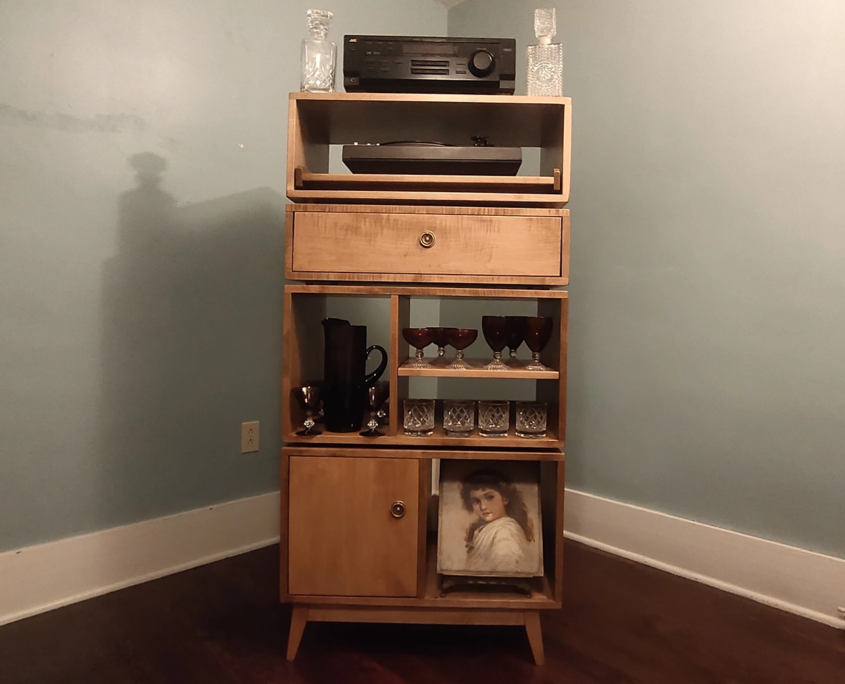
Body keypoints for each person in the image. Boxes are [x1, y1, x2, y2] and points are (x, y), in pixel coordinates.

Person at [459, 469, 536, 574]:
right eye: (476, 501)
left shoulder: (505, 533)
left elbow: (507, 570)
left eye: (489, 497)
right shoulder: (485, 529)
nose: (483, 507)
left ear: (505, 498)